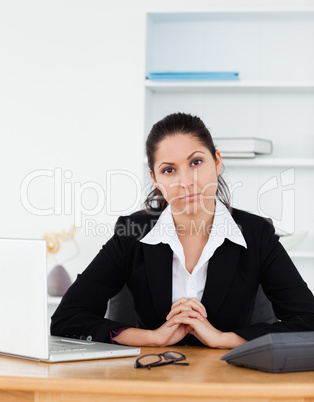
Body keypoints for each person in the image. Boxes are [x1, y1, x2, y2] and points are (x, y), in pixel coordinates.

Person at [51, 112, 314, 349]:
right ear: (155, 178)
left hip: (230, 378)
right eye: (169, 170)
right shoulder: (131, 233)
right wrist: (153, 337)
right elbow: (67, 319)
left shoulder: (257, 234)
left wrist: (223, 338)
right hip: (151, 375)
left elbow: (308, 320)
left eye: (196, 162)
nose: (186, 182)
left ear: (217, 161)